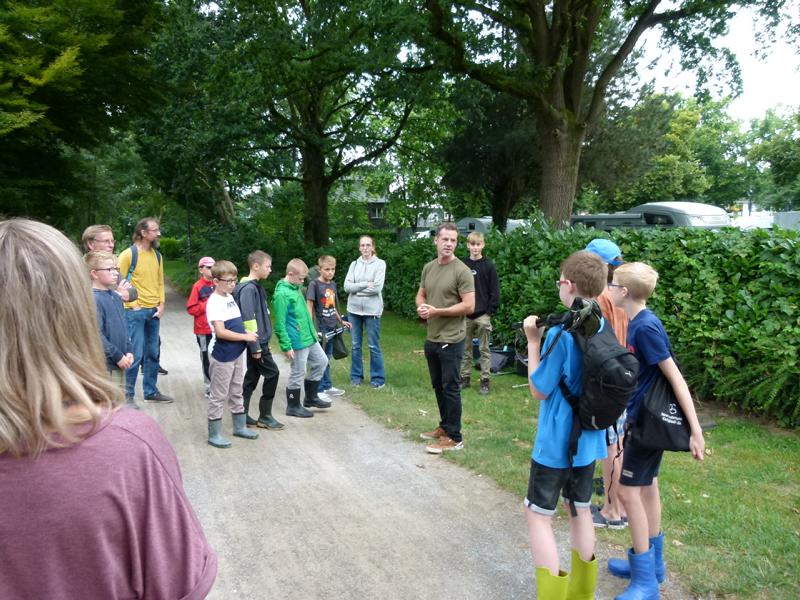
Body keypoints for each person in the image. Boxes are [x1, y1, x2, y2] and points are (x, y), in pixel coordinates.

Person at [0, 218, 217, 599]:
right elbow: (177, 583)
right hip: (122, 346)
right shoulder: (130, 448)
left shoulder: (153, 258)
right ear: (74, 307)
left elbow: (135, 291)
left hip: (144, 316)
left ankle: (147, 388)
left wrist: (154, 301)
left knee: (149, 355)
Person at [606, 262, 705, 599]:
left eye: (612, 284)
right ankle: (652, 565)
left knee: (627, 492)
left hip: (647, 424)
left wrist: (696, 430)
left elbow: (674, 376)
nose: (608, 288)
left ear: (624, 292)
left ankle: (646, 580)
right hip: (642, 418)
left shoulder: (645, 328)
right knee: (647, 488)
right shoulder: (639, 321)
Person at [520, 250, 609, 600]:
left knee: (537, 515)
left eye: (559, 282)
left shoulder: (561, 332)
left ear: (568, 285)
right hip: (588, 439)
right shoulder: (601, 324)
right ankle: (581, 595)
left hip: (556, 441)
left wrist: (533, 342)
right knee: (580, 507)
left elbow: (539, 389)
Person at [416, 223, 475, 454]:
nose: (449, 244)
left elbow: (469, 306)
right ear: (436, 241)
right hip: (432, 336)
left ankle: (455, 437)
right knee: (438, 386)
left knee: (450, 388)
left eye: (453, 240)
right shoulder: (429, 268)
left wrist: (437, 311)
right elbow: (421, 294)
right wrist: (422, 307)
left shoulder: (462, 271)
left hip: (452, 339)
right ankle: (444, 427)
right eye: (445, 239)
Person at [585, 238, 629, 529]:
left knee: (612, 446)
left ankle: (613, 511)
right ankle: (620, 505)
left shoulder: (601, 298)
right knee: (618, 443)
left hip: (609, 381)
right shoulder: (620, 295)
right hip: (621, 376)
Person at [205, 260, 260, 448]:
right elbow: (221, 332)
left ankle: (239, 426)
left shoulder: (229, 297)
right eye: (228, 281)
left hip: (237, 352)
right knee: (218, 394)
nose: (232, 284)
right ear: (215, 281)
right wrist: (245, 336)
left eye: (234, 280)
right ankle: (214, 434)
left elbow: (236, 322)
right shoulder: (214, 302)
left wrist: (246, 334)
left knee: (237, 389)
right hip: (222, 355)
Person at [117, 217, 172, 404]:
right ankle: (128, 396)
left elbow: (160, 282)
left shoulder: (157, 256)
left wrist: (161, 304)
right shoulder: (128, 255)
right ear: (143, 232)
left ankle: (151, 391)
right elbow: (118, 280)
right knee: (135, 354)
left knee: (152, 353)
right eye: (155, 230)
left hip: (153, 311)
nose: (158, 233)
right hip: (134, 312)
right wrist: (133, 305)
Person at [273, 259, 330, 418]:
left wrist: (313, 332)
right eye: (300, 278)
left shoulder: (295, 287)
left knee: (322, 361)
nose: (302, 281)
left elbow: (304, 314)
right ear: (290, 274)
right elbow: (280, 323)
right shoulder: (282, 294)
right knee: (298, 371)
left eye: (304, 278)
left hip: (309, 337)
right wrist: (286, 346)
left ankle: (311, 397)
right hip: (297, 340)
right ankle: (293, 406)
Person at [237, 250, 283, 430]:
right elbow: (248, 318)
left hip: (259, 341)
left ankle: (241, 414)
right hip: (257, 342)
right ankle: (265, 416)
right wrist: (255, 345)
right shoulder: (248, 289)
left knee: (252, 376)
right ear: (256, 266)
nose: (270, 270)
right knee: (273, 373)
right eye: (267, 266)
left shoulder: (256, 287)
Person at [85, 250, 134, 396]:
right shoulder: (93, 299)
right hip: (105, 365)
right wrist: (118, 356)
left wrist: (129, 350)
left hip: (121, 362)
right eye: (110, 269)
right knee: (109, 402)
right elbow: (96, 334)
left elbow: (124, 327)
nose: (115, 273)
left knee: (119, 400)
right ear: (94, 274)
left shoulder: (116, 296)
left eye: (115, 268)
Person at [458, 231, 500, 395]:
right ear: (468, 245)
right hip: (465, 314)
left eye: (478, 244)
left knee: (484, 350)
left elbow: (494, 291)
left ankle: (485, 381)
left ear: (483, 245)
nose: (475, 248)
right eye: (472, 244)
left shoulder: (489, 265)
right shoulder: (462, 265)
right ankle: (464, 378)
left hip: (483, 315)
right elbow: (457, 288)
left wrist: (490, 311)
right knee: (465, 349)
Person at [307, 255, 352, 401]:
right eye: (327, 269)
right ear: (320, 269)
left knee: (328, 357)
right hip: (321, 327)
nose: (330, 272)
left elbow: (333, 306)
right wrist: (311, 326)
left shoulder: (332, 284)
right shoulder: (314, 284)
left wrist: (341, 321)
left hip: (332, 326)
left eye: (333, 269)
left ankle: (327, 386)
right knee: (320, 359)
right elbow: (309, 306)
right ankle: (319, 389)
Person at [344, 235, 386, 388]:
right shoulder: (354, 264)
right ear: (359, 247)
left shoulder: (380, 264)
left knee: (373, 346)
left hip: (372, 311)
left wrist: (356, 290)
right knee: (355, 345)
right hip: (353, 310)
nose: (365, 248)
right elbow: (347, 287)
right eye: (362, 245)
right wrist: (364, 285)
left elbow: (377, 288)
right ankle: (356, 377)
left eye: (368, 245)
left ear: (373, 247)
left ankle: (378, 379)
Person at [82, 223, 137, 302]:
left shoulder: (111, 267)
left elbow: (133, 292)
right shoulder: (79, 268)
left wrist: (120, 294)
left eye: (112, 241)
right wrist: (116, 295)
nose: (111, 245)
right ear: (90, 244)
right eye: (106, 241)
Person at [186, 256, 216, 395]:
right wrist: (207, 304)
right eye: (209, 267)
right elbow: (191, 308)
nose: (212, 270)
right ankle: (210, 387)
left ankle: (219, 384)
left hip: (218, 329)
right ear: (201, 270)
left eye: (213, 267)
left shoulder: (218, 284)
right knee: (206, 357)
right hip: (203, 330)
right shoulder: (198, 286)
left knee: (219, 357)